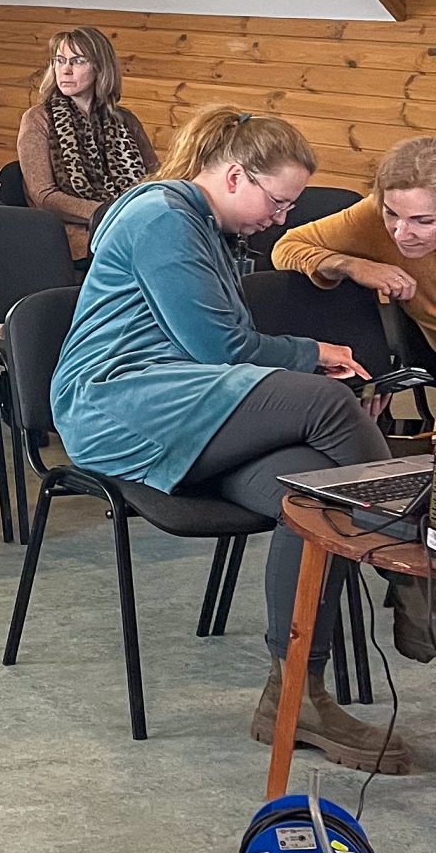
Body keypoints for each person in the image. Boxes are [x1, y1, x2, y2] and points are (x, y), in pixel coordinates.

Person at [51, 105, 405, 771]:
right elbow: (221, 347)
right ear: (236, 176)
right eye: (278, 202)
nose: (282, 218)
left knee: (314, 490)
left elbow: (221, 354)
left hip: (187, 406)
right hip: (117, 406)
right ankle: (411, 574)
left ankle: (295, 694)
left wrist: (299, 359)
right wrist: (311, 352)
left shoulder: (206, 227)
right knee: (331, 407)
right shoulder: (161, 217)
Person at [273, 133, 436, 360]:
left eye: (424, 221)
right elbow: (287, 247)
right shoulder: (372, 216)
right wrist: (350, 265)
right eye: (391, 213)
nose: (401, 234)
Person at [15, 26, 156, 260]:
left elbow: (156, 178)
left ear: (99, 68)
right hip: (73, 241)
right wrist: (109, 212)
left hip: (130, 226)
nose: (65, 70)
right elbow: (44, 196)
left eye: (78, 61)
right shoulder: (38, 118)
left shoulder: (124, 119)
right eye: (60, 61)